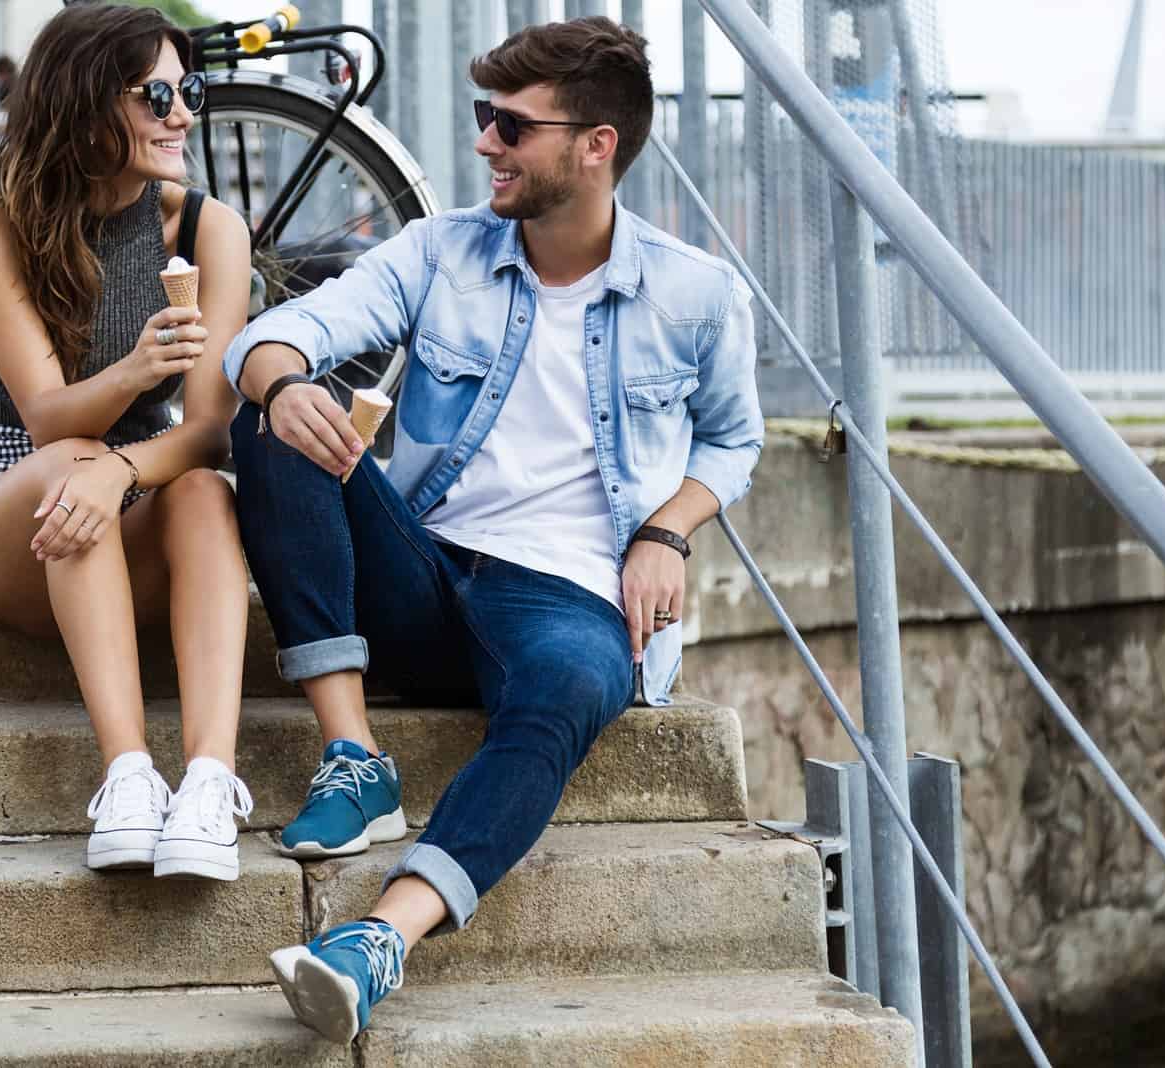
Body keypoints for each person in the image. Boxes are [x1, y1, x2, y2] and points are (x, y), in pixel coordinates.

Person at [223, 16, 762, 1042]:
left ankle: (379, 939)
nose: (484, 145)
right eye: (484, 118)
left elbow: (734, 442)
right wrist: (284, 378)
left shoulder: (693, 293)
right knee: (271, 412)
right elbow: (280, 329)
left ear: (594, 146)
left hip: (569, 599)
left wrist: (669, 528)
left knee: (565, 684)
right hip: (423, 570)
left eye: (509, 125)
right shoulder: (439, 252)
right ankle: (355, 759)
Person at [0, 3, 256, 881]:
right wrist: (132, 370)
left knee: (201, 491)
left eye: (187, 90)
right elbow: (46, 418)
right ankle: (126, 775)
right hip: (14, 507)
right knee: (74, 464)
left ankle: (206, 781)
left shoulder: (208, 230)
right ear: (85, 105)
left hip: (135, 479)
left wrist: (124, 463)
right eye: (156, 95)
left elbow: (204, 431)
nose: (182, 114)